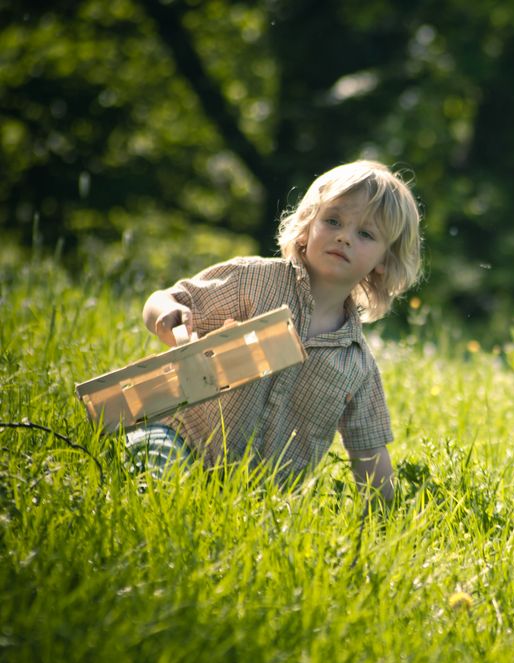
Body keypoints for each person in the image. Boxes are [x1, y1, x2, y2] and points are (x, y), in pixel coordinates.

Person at [130, 160, 422, 507]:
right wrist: (166, 314)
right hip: (182, 440)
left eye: (365, 234)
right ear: (307, 226)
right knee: (158, 471)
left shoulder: (356, 364)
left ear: (384, 261)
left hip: (258, 495)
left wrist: (387, 519)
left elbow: (369, 453)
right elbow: (166, 299)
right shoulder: (253, 280)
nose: (344, 236)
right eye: (333, 221)